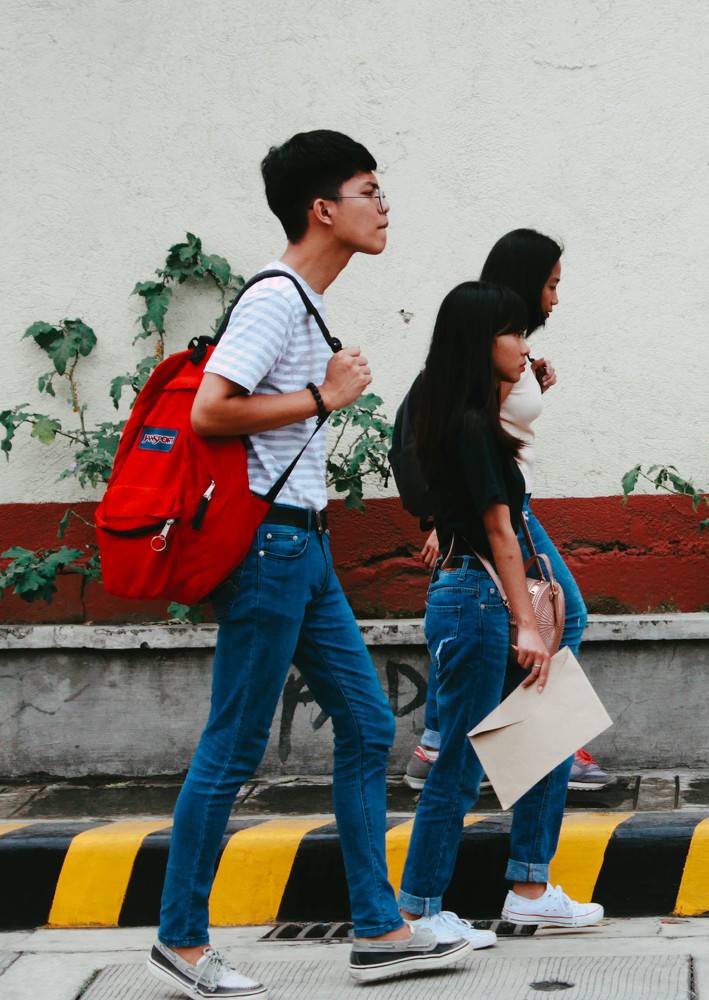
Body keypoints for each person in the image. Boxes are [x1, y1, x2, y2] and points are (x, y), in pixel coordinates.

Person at [148, 130, 470, 999]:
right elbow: (210, 411)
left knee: (365, 724)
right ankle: (181, 940)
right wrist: (324, 395)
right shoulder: (275, 300)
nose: (383, 205)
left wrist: (317, 397)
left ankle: (379, 930)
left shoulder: (302, 302)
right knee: (232, 745)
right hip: (268, 547)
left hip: (303, 544)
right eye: (369, 190)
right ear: (323, 209)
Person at [398, 281, 604, 942]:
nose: (524, 344)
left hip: (478, 600)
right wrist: (526, 622)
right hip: (478, 602)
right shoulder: (469, 427)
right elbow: (501, 533)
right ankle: (418, 911)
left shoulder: (463, 416)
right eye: (511, 333)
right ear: (477, 343)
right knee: (458, 767)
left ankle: (529, 887)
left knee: (547, 728)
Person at [404, 228, 612, 794]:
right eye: (551, 284)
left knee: (535, 620)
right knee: (564, 616)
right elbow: (450, 429)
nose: (556, 298)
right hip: (501, 512)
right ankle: (532, 747)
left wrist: (535, 383)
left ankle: (448, 741)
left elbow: (496, 427)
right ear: (526, 281)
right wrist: (442, 521)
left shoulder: (510, 352)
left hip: (512, 504)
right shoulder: (481, 347)